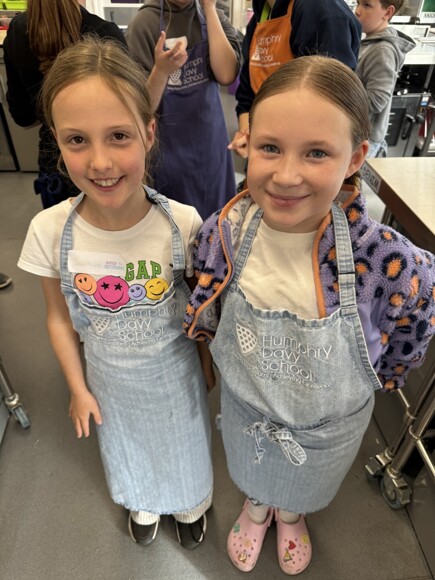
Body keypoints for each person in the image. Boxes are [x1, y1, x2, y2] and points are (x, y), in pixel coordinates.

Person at [184, 56, 435, 574]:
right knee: (254, 476)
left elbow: (416, 319)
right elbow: (204, 297)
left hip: (326, 429)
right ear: (245, 142)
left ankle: (292, 514)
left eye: (317, 152)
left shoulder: (384, 259)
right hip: (250, 408)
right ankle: (257, 507)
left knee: (302, 487)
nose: (286, 175)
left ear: (355, 156)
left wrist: (389, 376)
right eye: (270, 148)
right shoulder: (224, 232)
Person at [17, 37, 214, 550]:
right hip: (108, 381)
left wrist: (210, 362)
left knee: (184, 441)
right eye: (77, 140)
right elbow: (58, 318)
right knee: (125, 445)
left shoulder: (184, 223)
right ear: (56, 141)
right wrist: (77, 388)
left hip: (176, 378)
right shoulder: (48, 231)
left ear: (149, 132)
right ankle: (142, 498)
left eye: (119, 136)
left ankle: (190, 501)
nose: (100, 161)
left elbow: (202, 309)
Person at [3, 0, 127, 209]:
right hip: (108, 161)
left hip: (55, 161)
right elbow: (129, 110)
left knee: (64, 225)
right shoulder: (104, 32)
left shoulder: (18, 31)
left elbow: (22, 116)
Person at [126, 0, 242, 219]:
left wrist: (209, 9)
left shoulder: (215, 16)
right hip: (168, 157)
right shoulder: (144, 25)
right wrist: (161, 71)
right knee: (177, 225)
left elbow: (226, 74)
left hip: (212, 150)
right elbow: (139, 110)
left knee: (217, 223)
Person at [229, 0, 362, 160]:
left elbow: (330, 108)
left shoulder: (319, 11)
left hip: (307, 155)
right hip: (270, 142)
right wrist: (248, 135)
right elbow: (247, 91)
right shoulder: (262, 13)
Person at [355, 0, 415, 158]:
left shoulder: (382, 50)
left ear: (388, 12)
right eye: (358, 3)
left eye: (367, 5)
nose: (357, 11)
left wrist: (340, 96)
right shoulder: (371, 43)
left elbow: (377, 100)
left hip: (363, 140)